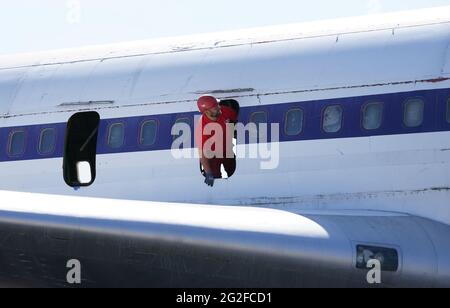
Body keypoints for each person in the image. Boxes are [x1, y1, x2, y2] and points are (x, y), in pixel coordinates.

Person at [195, 95, 238, 187]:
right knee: (215, 176)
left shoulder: (225, 111)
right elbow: (202, 154)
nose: (219, 108)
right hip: (213, 155)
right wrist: (208, 173)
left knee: (232, 168)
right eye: (215, 107)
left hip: (227, 149)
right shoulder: (202, 128)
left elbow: (234, 121)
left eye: (218, 105)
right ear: (207, 112)